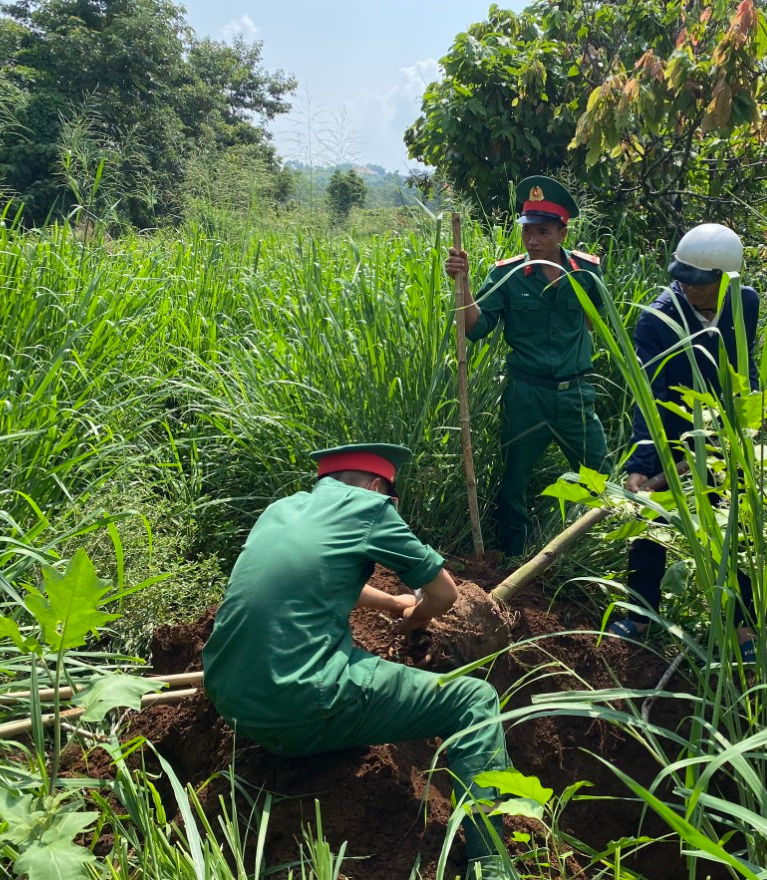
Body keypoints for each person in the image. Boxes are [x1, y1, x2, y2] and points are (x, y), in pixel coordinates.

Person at [202, 443, 510, 878]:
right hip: (297, 709)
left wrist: (390, 603)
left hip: (232, 700)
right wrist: (414, 617)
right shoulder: (370, 509)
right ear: (373, 486)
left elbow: (320, 573)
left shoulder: (281, 510)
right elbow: (444, 594)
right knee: (475, 700)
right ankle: (492, 862)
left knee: (344, 658)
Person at [609, 224, 762, 652]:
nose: (688, 287)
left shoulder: (744, 303)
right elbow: (649, 396)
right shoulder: (658, 317)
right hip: (671, 435)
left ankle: (743, 629)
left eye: (700, 281)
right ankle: (639, 617)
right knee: (650, 527)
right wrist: (642, 464)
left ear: (726, 279)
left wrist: (751, 414)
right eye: (683, 277)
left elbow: (744, 365)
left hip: (726, 436)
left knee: (735, 525)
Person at [445, 176, 610, 558]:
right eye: (527, 231)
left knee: (600, 480)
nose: (533, 240)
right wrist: (464, 282)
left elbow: (592, 322)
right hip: (526, 395)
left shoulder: (587, 271)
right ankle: (515, 558)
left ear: (562, 232)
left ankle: (591, 555)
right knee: (514, 482)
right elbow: (475, 327)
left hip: (576, 396)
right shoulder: (506, 274)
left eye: (543, 232)